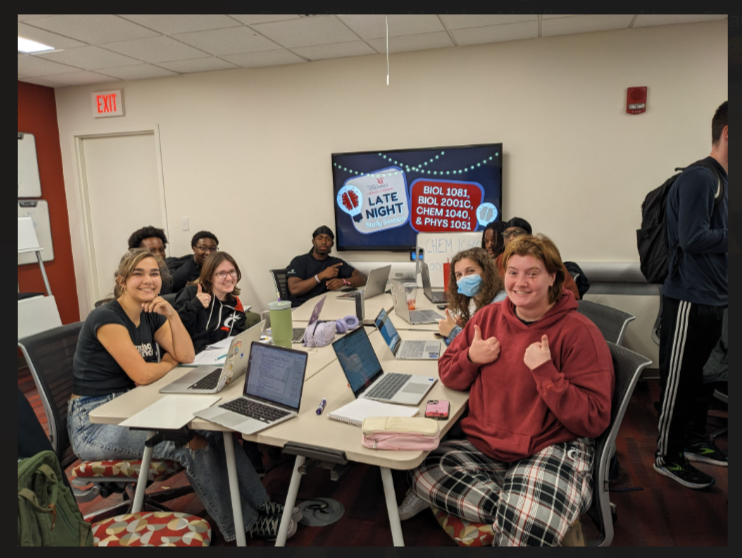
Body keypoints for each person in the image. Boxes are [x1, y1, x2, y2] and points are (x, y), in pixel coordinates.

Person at [67, 249, 298, 541]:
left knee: (214, 431)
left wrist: (172, 313)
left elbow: (186, 354)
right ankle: (244, 524)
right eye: (138, 273)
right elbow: (142, 374)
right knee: (191, 443)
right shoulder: (106, 317)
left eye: (153, 273)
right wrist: (167, 361)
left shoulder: (151, 313)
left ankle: (263, 506)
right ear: (121, 280)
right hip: (95, 422)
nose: (148, 280)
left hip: (134, 406)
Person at [398, 234, 614, 547]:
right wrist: (471, 358)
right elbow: (447, 372)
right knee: (420, 469)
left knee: (522, 523)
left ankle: (529, 515)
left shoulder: (580, 332)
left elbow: (594, 420)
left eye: (533, 273)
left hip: (548, 445)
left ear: (553, 277)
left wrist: (546, 374)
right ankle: (524, 513)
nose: (520, 283)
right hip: (488, 445)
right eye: (513, 272)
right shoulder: (486, 317)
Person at [654, 100, 728, 489]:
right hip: (688, 298)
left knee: (702, 380)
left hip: (715, 297)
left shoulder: (725, 181)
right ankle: (667, 455)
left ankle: (696, 441)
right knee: (678, 381)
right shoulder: (701, 178)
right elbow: (692, 237)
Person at [173, 251, 261, 354]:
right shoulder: (191, 293)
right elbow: (174, 327)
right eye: (221, 273)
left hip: (220, 358)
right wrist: (194, 305)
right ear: (209, 277)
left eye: (232, 271)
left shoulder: (234, 303)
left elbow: (239, 336)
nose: (229, 278)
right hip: (192, 358)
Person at [495, 217, 581, 301]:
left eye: (517, 232)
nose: (511, 238)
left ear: (530, 237)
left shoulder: (545, 257)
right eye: (506, 234)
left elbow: (573, 297)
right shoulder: (500, 259)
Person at [437, 247, 506, 345]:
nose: (464, 278)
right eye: (459, 274)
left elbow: (481, 347)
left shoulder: (499, 302)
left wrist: (452, 331)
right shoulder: (478, 297)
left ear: (486, 272)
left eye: (470, 271)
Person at [286, 225, 367, 307]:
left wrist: (343, 281)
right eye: (320, 238)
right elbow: (294, 289)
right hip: (300, 308)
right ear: (313, 241)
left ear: (332, 244)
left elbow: (362, 278)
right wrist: (321, 276)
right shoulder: (299, 261)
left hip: (325, 307)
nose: (324, 242)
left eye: (328, 239)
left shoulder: (335, 263)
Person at [127, 226, 174, 295]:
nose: (158, 254)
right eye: (151, 251)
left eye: (161, 250)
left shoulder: (166, 274)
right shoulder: (131, 278)